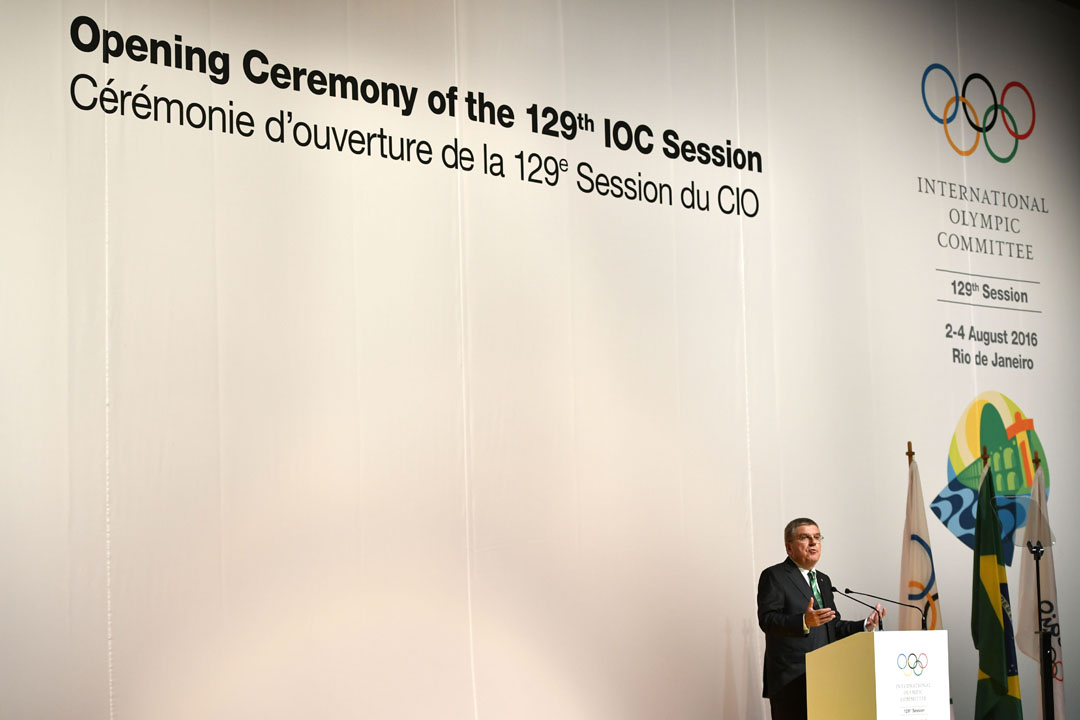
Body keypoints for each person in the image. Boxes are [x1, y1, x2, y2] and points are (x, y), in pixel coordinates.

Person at [757, 517, 884, 720]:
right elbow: (768, 620)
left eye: (817, 537)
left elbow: (831, 626)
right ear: (789, 547)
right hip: (791, 680)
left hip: (825, 677)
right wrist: (803, 621)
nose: (814, 542)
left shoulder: (823, 580)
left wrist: (864, 625)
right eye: (805, 538)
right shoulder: (774, 576)